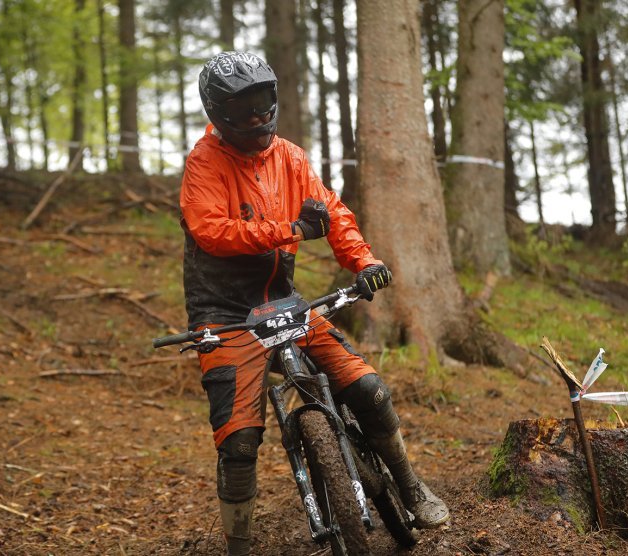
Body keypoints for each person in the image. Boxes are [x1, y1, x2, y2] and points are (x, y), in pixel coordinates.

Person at [180, 51, 449, 555]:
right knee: (238, 445)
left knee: (368, 390)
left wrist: (364, 262)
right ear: (219, 114)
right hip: (224, 314)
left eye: (264, 102)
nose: (259, 116)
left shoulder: (291, 157)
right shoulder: (204, 163)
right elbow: (210, 230)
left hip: (285, 303)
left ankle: (411, 486)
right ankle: (239, 545)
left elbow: (332, 212)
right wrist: (289, 230)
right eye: (245, 108)